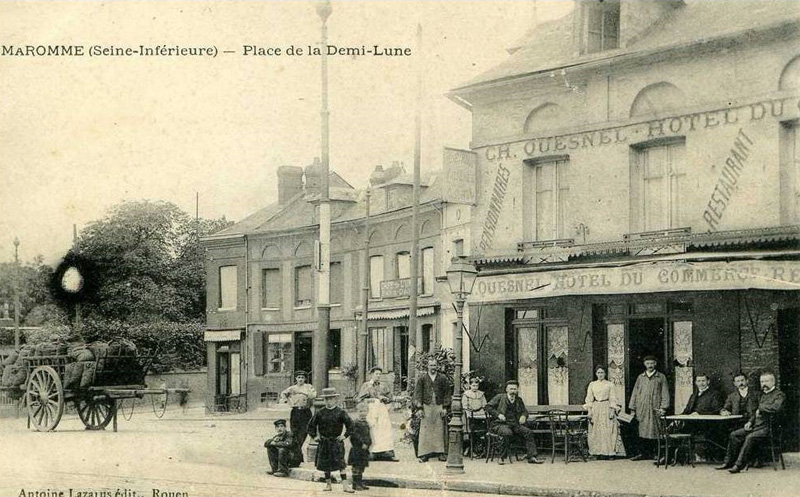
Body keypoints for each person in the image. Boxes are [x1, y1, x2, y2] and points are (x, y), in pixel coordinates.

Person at [717, 371, 785, 473]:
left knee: (749, 437)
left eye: (766, 381)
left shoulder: (779, 394)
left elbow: (776, 407)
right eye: (762, 382)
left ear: (773, 381)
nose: (764, 384)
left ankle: (738, 465)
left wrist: (760, 408)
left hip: (769, 427)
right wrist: (750, 422)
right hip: (756, 426)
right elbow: (755, 413)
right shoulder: (763, 394)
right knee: (734, 435)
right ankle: (728, 462)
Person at [485, 380, 544, 464]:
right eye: (511, 389)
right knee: (506, 433)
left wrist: (523, 416)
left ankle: (532, 456)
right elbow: (488, 407)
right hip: (500, 424)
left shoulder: (519, 400)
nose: (513, 391)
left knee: (528, 432)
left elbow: (524, 411)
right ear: (506, 389)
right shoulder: (500, 397)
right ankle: (501, 457)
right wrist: (498, 415)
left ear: (517, 390)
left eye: (514, 389)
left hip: (515, 424)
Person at [307, 387, 354, 493]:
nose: (328, 401)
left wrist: (344, 436)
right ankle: (328, 484)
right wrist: (315, 436)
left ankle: (345, 486)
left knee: (341, 464)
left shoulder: (341, 412)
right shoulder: (320, 413)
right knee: (326, 465)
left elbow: (351, 425)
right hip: (324, 442)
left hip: (336, 442)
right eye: (326, 399)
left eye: (331, 399)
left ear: (335, 399)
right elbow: (310, 426)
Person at [628, 355, 670, 461]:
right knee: (642, 430)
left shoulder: (661, 377)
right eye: (648, 363)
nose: (650, 365)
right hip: (642, 408)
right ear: (644, 364)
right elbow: (635, 393)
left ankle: (656, 454)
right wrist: (632, 408)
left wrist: (663, 408)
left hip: (655, 408)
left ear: (655, 364)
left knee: (656, 430)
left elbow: (665, 393)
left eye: (652, 363)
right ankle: (643, 453)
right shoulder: (640, 377)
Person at [413, 357, 452, 462]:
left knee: (439, 430)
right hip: (426, 406)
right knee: (425, 431)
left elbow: (447, 393)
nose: (433, 367)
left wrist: (445, 407)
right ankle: (424, 454)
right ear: (427, 366)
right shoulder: (422, 378)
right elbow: (418, 394)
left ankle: (440, 453)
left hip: (439, 406)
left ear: (437, 366)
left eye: (434, 365)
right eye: (431, 365)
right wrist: (419, 408)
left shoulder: (443, 378)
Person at [583, 365, 626, 459]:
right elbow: (589, 399)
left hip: (607, 407)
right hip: (596, 408)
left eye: (602, 372)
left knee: (608, 430)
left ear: (605, 373)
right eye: (598, 373)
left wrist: (612, 410)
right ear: (596, 374)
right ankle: (596, 452)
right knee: (596, 431)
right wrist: (590, 411)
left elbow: (613, 398)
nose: (600, 374)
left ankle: (610, 453)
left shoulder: (610, 384)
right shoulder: (592, 384)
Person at [356, 366, 397, 461]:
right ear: (371, 375)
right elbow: (360, 399)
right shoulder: (366, 385)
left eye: (379, 374)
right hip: (371, 409)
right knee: (372, 429)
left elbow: (390, 397)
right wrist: (373, 399)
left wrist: (385, 398)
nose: (378, 376)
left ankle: (386, 451)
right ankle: (372, 452)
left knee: (384, 429)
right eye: (376, 374)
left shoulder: (383, 386)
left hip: (382, 410)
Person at [280, 371, 317, 462]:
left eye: (302, 377)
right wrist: (288, 401)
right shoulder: (292, 388)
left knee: (303, 434)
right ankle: (298, 458)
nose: (300, 379)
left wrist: (302, 393)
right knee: (294, 434)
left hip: (305, 412)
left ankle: (295, 456)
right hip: (295, 412)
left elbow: (313, 395)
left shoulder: (308, 387)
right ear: (296, 379)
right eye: (299, 377)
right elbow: (283, 394)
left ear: (305, 379)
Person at [348, 402, 373, 491]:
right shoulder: (355, 423)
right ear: (357, 411)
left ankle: (360, 482)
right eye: (361, 411)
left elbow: (369, 435)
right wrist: (361, 443)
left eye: (365, 411)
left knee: (362, 466)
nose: (363, 413)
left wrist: (368, 443)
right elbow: (354, 435)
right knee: (356, 467)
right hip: (357, 449)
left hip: (364, 449)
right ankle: (355, 483)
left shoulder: (367, 423)